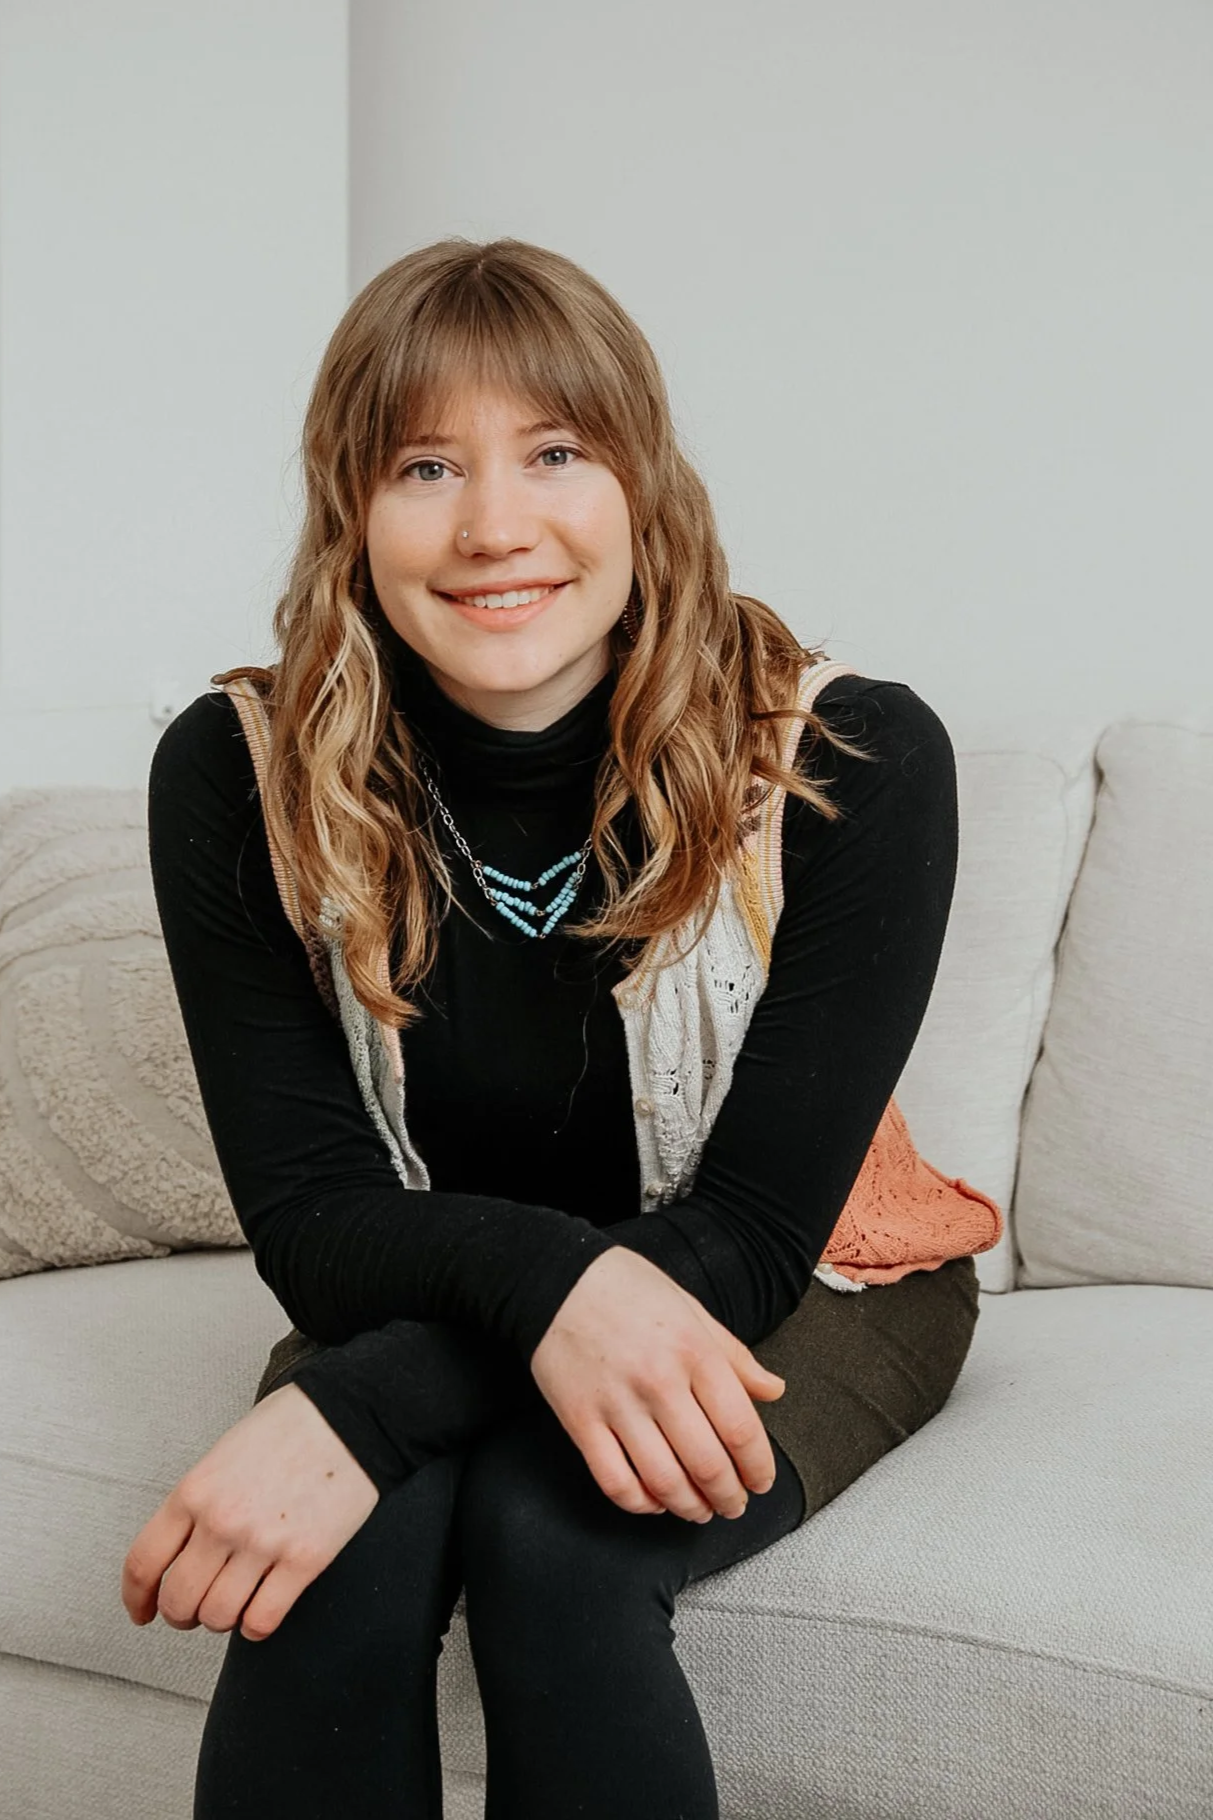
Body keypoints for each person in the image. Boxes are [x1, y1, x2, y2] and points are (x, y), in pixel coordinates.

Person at [120, 236, 985, 1820]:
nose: (493, 526)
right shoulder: (232, 775)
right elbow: (315, 1222)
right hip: (433, 1255)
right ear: (348, 516)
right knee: (332, 1567)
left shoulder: (854, 753)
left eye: (557, 453)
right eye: (424, 465)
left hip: (806, 1267)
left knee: (553, 1533)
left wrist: (366, 1399)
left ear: (644, 487)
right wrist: (528, 1310)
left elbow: (747, 1232)